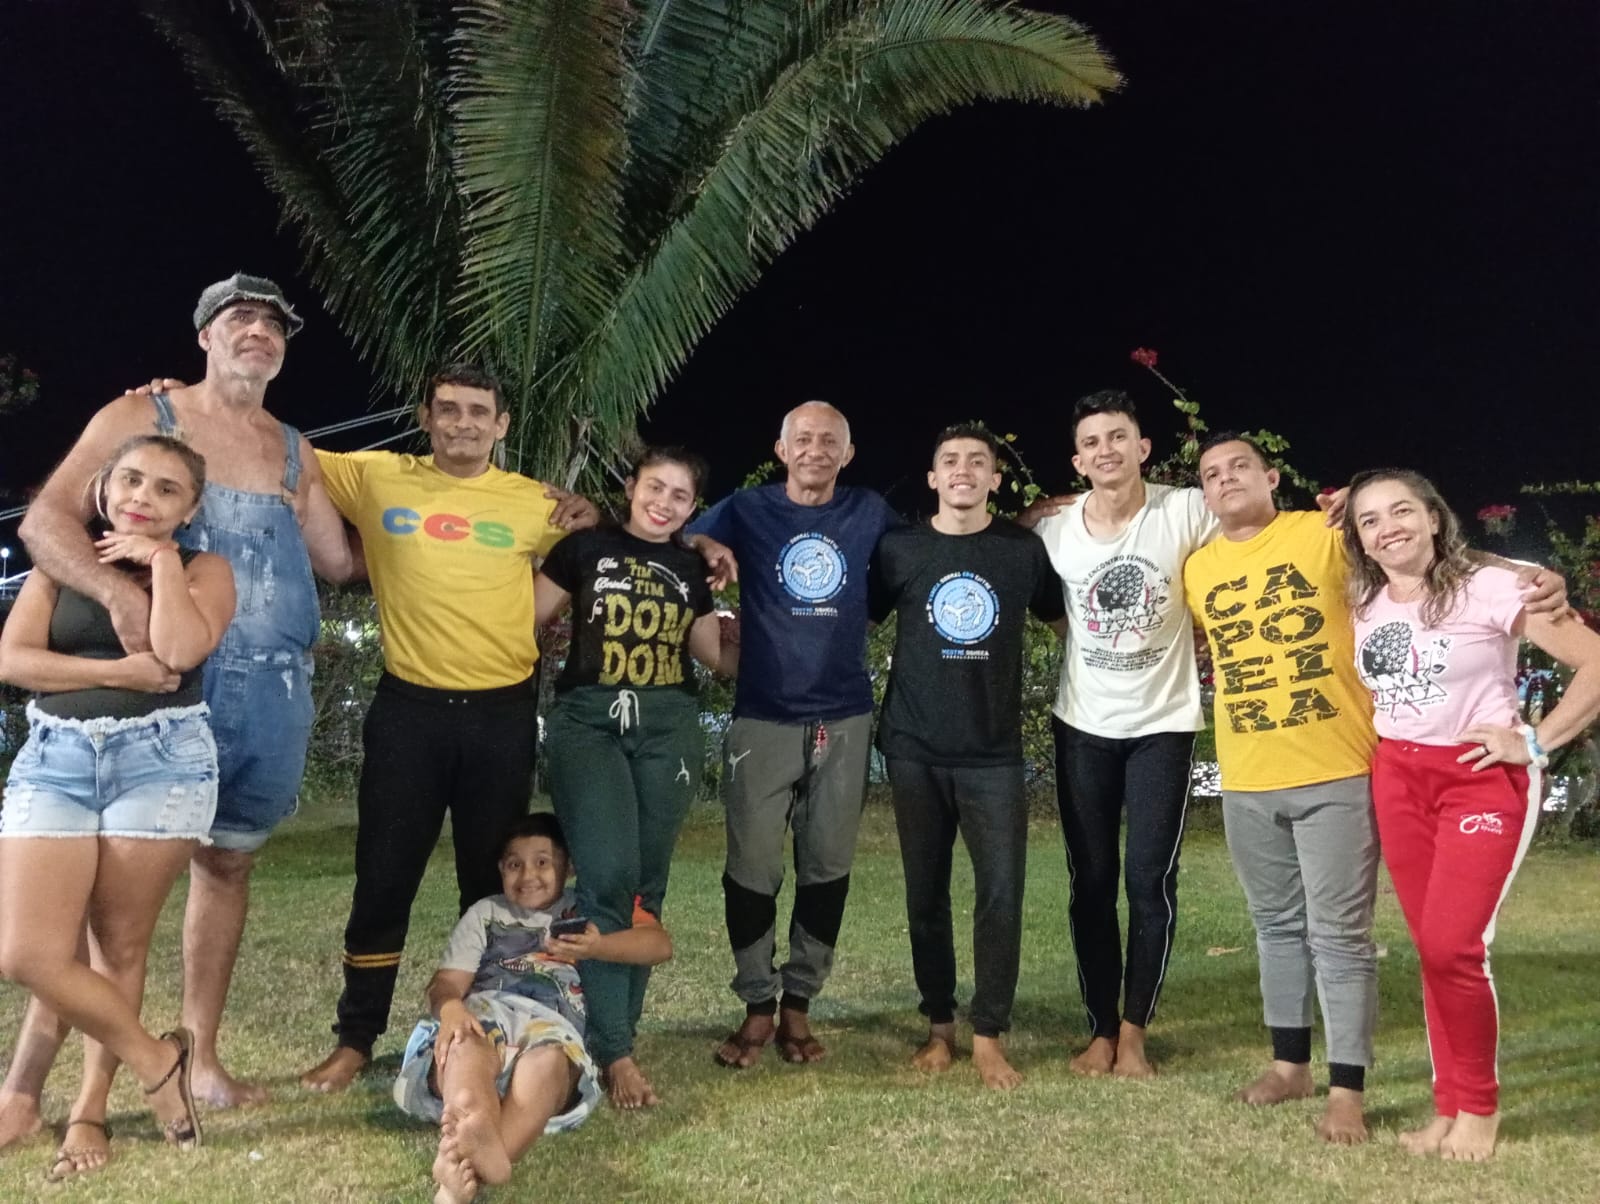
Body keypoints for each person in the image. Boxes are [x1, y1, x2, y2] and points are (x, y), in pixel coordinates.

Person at [1, 274, 352, 1146]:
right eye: (240, 318)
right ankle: (31, 1089)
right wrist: (119, 601)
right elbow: (45, 524)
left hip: (269, 694)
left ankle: (201, 1061)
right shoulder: (140, 417)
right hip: (159, 693)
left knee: (226, 867)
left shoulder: (294, 450)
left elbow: (341, 561)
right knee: (83, 912)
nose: (259, 332)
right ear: (203, 336)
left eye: (274, 325)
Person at [299, 365, 599, 1093]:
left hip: (500, 715)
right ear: (426, 418)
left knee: (491, 887)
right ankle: (356, 1038)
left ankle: (490, 1026)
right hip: (410, 711)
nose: (463, 422)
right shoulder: (376, 477)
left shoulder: (534, 502)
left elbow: (600, 545)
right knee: (384, 877)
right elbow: (286, 449)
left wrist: (601, 518)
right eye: (449, 410)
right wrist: (175, 401)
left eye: (478, 412)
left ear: (501, 425)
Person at [1344, 468, 1600, 1162]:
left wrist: (1536, 741)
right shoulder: (1364, 599)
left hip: (1478, 778)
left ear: (1434, 517)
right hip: (1399, 777)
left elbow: (1593, 662)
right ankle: (1447, 1106)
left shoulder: (1490, 587)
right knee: (1432, 949)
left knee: (1454, 946)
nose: (1388, 528)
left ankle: (1479, 1111)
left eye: (1402, 511)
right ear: (1360, 539)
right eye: (1370, 520)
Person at [0, 435, 236, 1180]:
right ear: (103, 489)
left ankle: (88, 1111)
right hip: (57, 759)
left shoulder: (204, 569)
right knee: (27, 952)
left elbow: (180, 651)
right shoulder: (62, 566)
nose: (143, 497)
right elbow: (13, 660)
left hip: (161, 762)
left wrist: (161, 561)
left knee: (118, 950)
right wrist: (123, 675)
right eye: (131, 480)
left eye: (167, 490)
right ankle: (157, 1059)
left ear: (190, 509)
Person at [689, 401, 899, 1067]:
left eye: (829, 441)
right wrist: (706, 545)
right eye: (802, 439)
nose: (815, 449)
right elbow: (675, 535)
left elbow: (916, 562)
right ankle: (757, 1004)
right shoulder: (748, 508)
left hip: (844, 714)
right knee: (751, 867)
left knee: (828, 865)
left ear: (848, 452)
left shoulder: (869, 511)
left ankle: (799, 1005)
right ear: (781, 450)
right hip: (764, 712)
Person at [1022, 389, 1221, 1077]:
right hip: (1084, 726)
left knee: (1149, 881)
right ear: (1078, 461)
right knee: (1092, 881)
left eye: (1117, 437)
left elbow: (1257, 537)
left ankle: (1135, 1030)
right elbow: (1014, 570)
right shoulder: (1055, 530)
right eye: (1091, 443)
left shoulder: (1185, 509)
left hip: (1164, 726)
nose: (1106, 450)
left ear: (1142, 447)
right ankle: (1100, 1029)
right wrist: (1027, 516)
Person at [534, 447, 735, 1108]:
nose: (664, 502)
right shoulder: (584, 547)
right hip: (590, 721)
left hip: (669, 726)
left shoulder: (691, 566)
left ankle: (623, 1031)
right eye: (655, 487)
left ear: (692, 507)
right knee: (606, 875)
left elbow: (712, 656)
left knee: (648, 883)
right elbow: (523, 616)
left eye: (680, 495)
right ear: (630, 487)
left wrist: (784, 631)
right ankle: (614, 1048)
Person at [868, 425, 1066, 1089]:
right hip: (914, 748)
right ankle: (939, 1027)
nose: (963, 469)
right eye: (950, 460)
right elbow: (852, 623)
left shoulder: (1021, 550)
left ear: (994, 479)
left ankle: (988, 1034)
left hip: (993, 755)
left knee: (1001, 894)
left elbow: (1069, 626)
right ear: (933, 478)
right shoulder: (899, 548)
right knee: (925, 893)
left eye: (978, 461)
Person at [393, 812, 671, 1204]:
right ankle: (475, 1128)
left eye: (542, 862)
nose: (528, 875)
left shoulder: (588, 910)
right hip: (488, 1012)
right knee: (466, 1046)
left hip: (552, 1026)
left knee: (548, 1063)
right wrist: (450, 1007)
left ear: (568, 867)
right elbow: (447, 983)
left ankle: (463, 1173)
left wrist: (598, 947)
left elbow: (660, 945)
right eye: (514, 864)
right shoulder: (486, 913)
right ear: (500, 869)